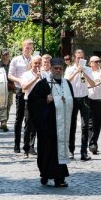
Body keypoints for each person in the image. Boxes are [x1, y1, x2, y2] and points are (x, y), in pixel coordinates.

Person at [27, 58, 74, 187]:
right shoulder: (43, 84)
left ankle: (60, 178)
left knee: (60, 151)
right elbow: (32, 101)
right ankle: (45, 174)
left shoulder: (67, 84)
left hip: (62, 125)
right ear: (51, 68)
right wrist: (44, 100)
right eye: (55, 68)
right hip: (47, 125)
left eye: (60, 68)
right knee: (47, 151)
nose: (58, 71)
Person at [64, 49, 97, 161]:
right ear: (74, 58)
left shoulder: (87, 69)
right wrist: (76, 72)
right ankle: (71, 151)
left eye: (81, 57)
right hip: (72, 99)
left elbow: (93, 84)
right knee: (72, 125)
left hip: (84, 99)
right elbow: (66, 81)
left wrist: (84, 73)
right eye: (78, 57)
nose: (79, 59)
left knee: (85, 126)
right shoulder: (69, 69)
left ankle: (83, 152)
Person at [8, 39, 34, 154]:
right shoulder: (16, 60)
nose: (28, 49)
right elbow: (10, 75)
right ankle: (16, 144)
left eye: (30, 47)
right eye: (26, 47)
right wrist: (19, 80)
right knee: (19, 117)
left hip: (32, 90)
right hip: (20, 89)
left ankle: (28, 145)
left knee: (30, 119)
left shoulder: (34, 60)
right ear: (22, 47)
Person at [20, 56, 42, 158]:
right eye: (35, 63)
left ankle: (34, 147)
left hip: (40, 102)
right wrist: (35, 78)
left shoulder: (44, 74)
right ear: (31, 64)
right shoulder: (26, 74)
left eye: (39, 63)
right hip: (29, 101)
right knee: (28, 126)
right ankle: (26, 149)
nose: (37, 65)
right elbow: (24, 87)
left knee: (39, 127)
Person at [0, 49, 13, 132]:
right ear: (2, 55)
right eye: (4, 54)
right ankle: (3, 122)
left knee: (9, 105)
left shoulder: (12, 64)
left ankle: (5, 121)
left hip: (11, 87)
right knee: (3, 104)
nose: (6, 56)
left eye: (7, 54)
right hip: (2, 87)